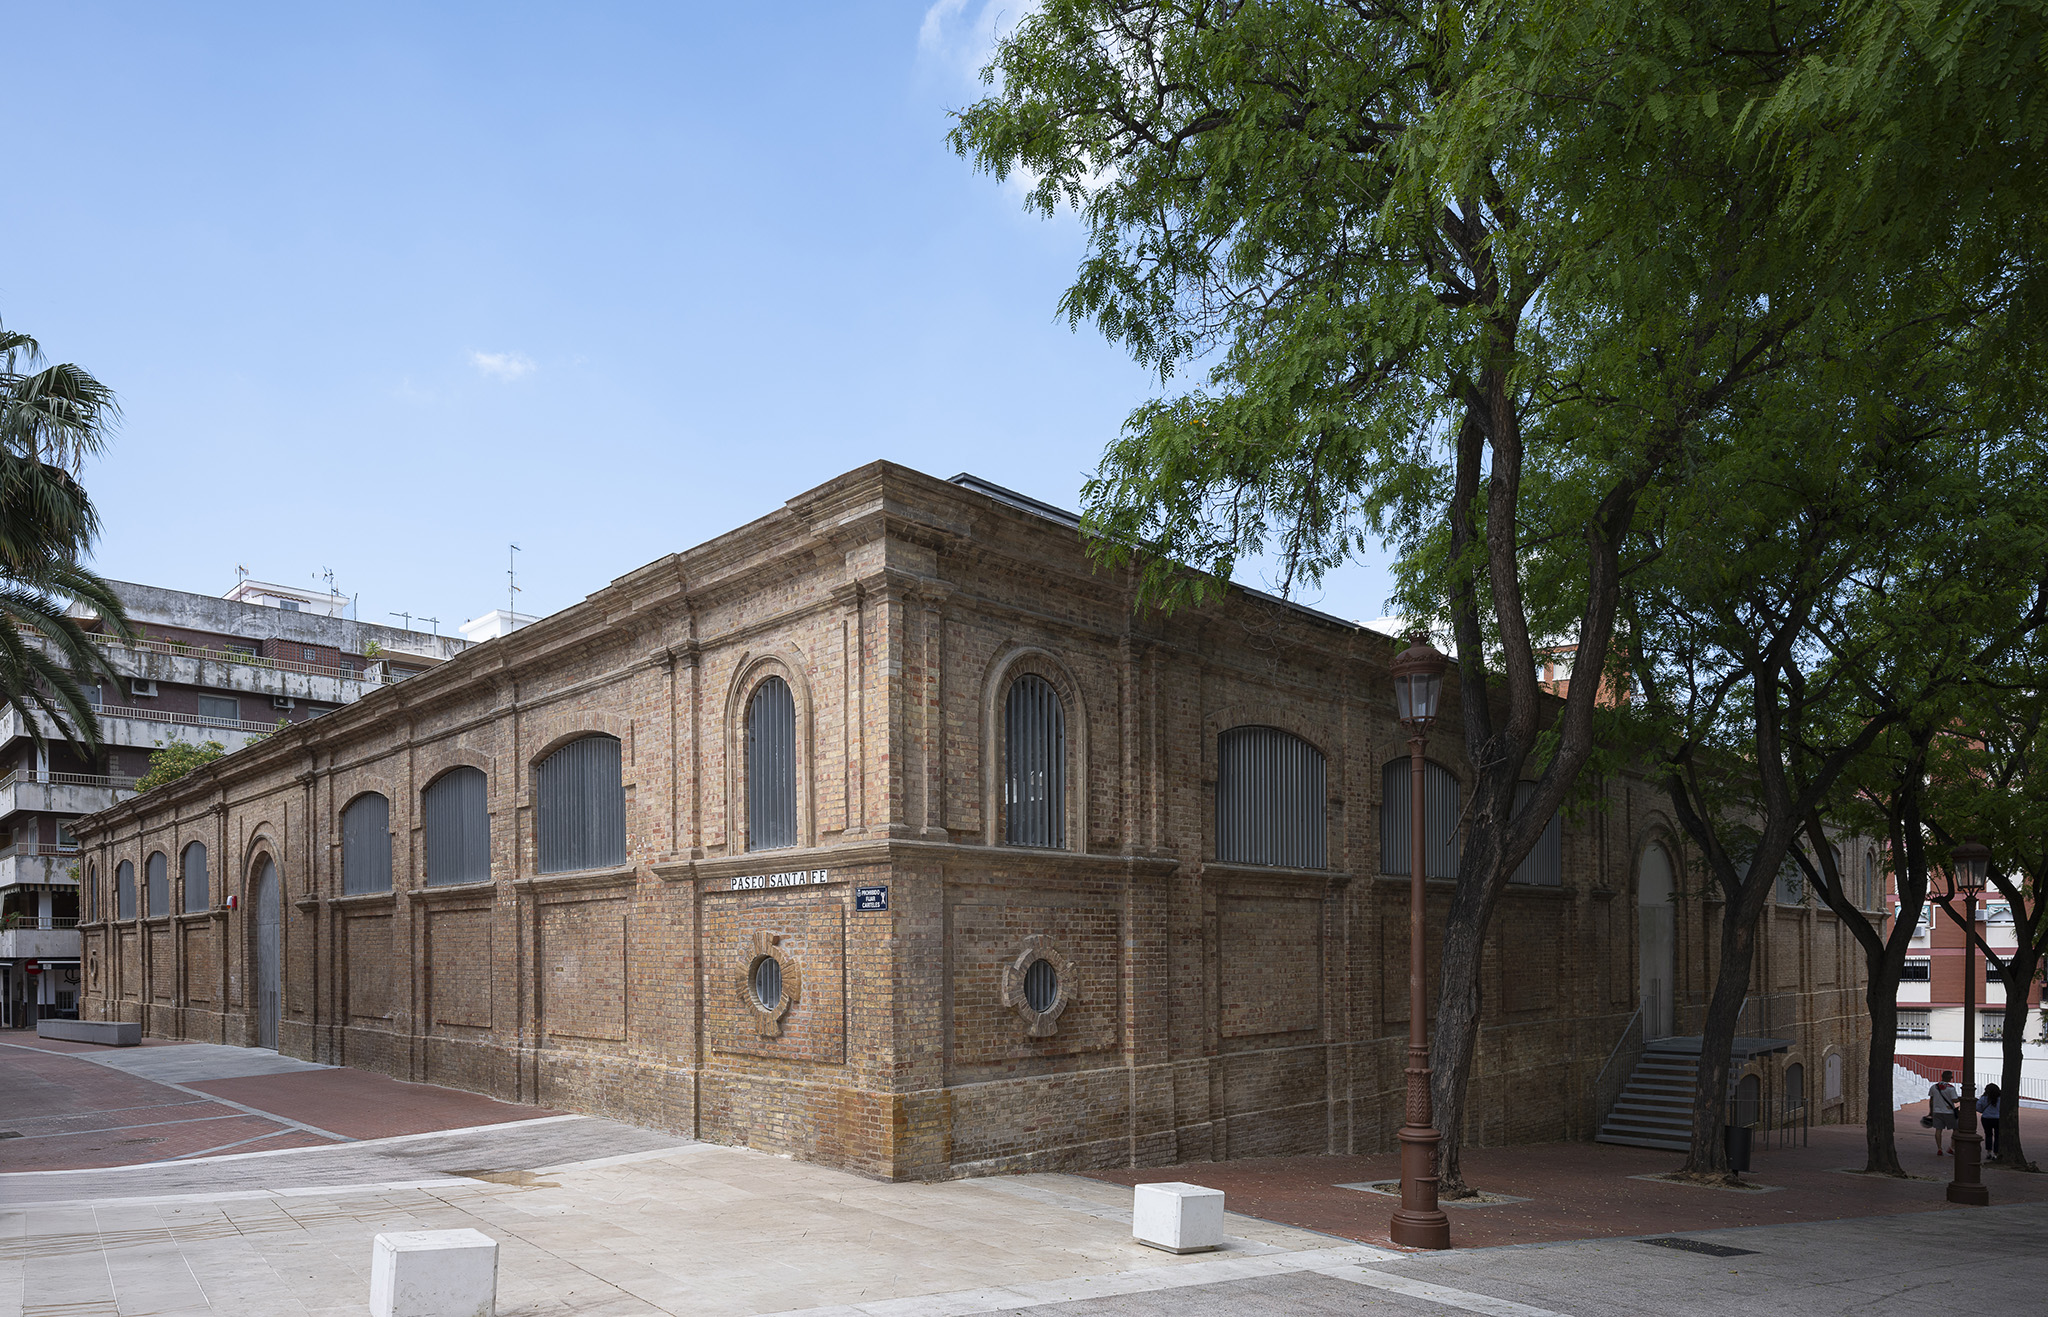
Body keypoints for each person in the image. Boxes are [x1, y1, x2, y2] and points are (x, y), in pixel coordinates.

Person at [1930, 1071, 1960, 1154]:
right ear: (1949, 1078)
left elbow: (1931, 1100)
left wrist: (1930, 1111)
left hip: (1936, 1111)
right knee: (1956, 1129)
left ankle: (1939, 1148)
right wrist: (1960, 1098)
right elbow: (1954, 1100)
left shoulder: (1934, 1087)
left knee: (1938, 1130)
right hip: (1949, 1111)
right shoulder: (1951, 1088)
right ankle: (1952, 1147)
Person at [1980, 1083, 2002, 1159]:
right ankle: (1996, 1153)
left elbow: (1978, 1107)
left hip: (1986, 1118)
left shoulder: (1983, 1098)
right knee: (1997, 1136)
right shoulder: (2000, 1098)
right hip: (1998, 1118)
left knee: (1988, 1135)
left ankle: (1988, 1152)